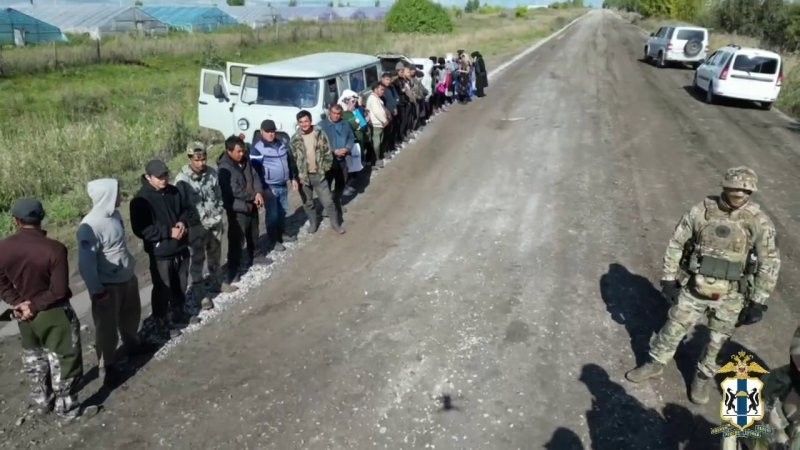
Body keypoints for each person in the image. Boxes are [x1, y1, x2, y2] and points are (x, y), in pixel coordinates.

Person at [626, 167, 780, 405]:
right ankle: (655, 363)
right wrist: (669, 278)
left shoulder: (758, 221)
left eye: (745, 191)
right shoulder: (701, 212)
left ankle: (702, 377)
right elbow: (677, 243)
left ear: (751, 192)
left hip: (732, 294)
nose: (739, 194)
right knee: (674, 326)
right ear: (725, 187)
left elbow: (769, 261)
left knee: (718, 340)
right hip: (695, 287)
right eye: (734, 189)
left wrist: (758, 300)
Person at [0, 198, 96, 420]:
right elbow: (59, 290)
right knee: (64, 360)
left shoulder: (3, 248)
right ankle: (68, 410)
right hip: (54, 313)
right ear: (42, 217)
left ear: (16, 221)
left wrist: (19, 303)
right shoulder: (54, 249)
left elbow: (1, 281)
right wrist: (34, 305)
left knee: (36, 359)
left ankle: (43, 402)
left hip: (24, 316)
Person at [77, 178, 150, 385]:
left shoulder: (115, 216)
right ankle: (107, 366)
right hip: (108, 285)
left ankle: (132, 344)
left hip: (126, 277)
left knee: (131, 315)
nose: (120, 196)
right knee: (106, 328)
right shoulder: (89, 226)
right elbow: (86, 264)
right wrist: (97, 290)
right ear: (107, 195)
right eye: (117, 192)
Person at [131, 160, 196, 339]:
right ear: (148, 177)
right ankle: (162, 323)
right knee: (162, 289)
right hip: (160, 253)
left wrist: (182, 222)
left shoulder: (173, 191)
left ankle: (179, 313)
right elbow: (141, 229)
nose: (163, 179)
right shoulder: (140, 200)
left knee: (181, 283)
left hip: (180, 246)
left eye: (165, 175)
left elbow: (185, 210)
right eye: (159, 177)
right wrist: (168, 232)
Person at [175, 142, 236, 311]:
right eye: (197, 160)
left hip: (214, 222)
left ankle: (217, 282)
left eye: (203, 159)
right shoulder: (182, 180)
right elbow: (180, 206)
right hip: (196, 227)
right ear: (190, 158)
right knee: (197, 260)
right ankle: (200, 294)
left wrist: (218, 212)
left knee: (215, 254)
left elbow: (218, 195)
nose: (201, 163)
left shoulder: (211, 173)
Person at [218, 135, 266, 283]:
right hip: (237, 208)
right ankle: (234, 270)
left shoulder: (245, 160)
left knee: (254, 232)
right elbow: (234, 190)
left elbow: (254, 176)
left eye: (243, 151)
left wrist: (259, 192)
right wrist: (253, 196)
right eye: (238, 151)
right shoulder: (224, 168)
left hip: (251, 204)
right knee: (236, 240)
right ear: (229, 151)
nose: (242, 154)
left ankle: (255, 255)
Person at [289, 109, 343, 234]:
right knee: (308, 203)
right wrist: (296, 176)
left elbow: (328, 152)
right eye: (301, 122)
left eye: (306, 121)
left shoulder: (319, 133)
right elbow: (293, 159)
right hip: (304, 177)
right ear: (298, 123)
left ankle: (335, 224)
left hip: (319, 175)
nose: (304, 124)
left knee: (328, 202)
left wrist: (324, 169)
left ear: (311, 121)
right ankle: (313, 223)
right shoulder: (295, 139)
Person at [249, 120, 298, 252]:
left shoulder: (281, 143)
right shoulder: (257, 149)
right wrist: (263, 189)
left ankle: (281, 233)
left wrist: (293, 177)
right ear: (261, 132)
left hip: (283, 184)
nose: (271, 134)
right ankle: (273, 240)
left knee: (283, 211)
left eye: (273, 131)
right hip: (269, 187)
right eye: (268, 131)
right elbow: (255, 172)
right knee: (273, 214)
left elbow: (289, 161)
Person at [319, 103, 355, 219]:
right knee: (326, 185)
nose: (336, 116)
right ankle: (327, 208)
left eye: (338, 114)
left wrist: (347, 148)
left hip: (342, 159)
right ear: (329, 113)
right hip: (328, 161)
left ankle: (337, 202)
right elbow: (319, 144)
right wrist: (333, 151)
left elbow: (351, 137)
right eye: (334, 113)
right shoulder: (322, 126)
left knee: (341, 183)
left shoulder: (345, 124)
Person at [366, 82, 388, 170]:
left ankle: (378, 157)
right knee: (376, 143)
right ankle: (376, 160)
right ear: (375, 89)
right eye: (381, 89)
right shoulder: (372, 99)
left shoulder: (377, 98)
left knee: (380, 141)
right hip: (376, 125)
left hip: (380, 124)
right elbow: (377, 112)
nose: (383, 91)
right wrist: (384, 120)